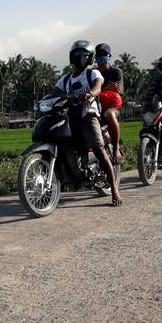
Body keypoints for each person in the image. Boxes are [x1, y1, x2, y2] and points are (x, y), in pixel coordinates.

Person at [53, 40, 122, 206]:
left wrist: (90, 93)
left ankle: (114, 190)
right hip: (69, 116)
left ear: (90, 58)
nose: (79, 58)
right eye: (76, 54)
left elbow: (98, 87)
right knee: (62, 142)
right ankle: (69, 178)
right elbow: (54, 93)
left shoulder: (93, 74)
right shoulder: (65, 79)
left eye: (83, 55)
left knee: (98, 148)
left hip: (88, 114)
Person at [95, 43, 124, 164]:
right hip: (96, 107)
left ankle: (116, 148)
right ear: (95, 57)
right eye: (99, 55)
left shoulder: (116, 72)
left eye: (104, 54)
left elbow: (118, 90)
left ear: (109, 56)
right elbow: (90, 90)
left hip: (112, 106)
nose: (102, 57)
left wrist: (99, 88)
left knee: (109, 115)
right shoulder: (92, 72)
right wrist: (107, 86)